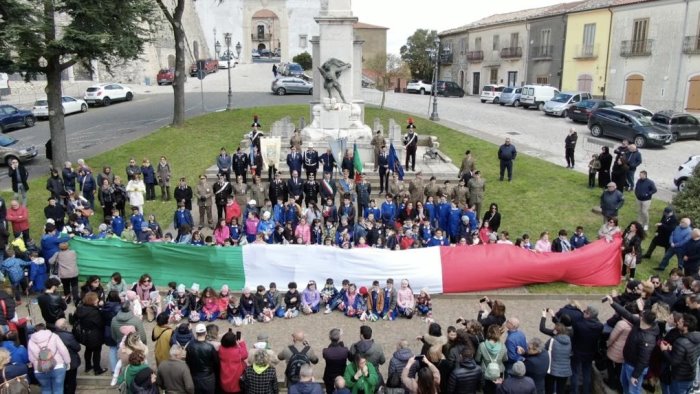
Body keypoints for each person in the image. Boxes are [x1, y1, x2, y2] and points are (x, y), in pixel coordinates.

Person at [604, 295, 659, 394]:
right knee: (624, 384)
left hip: (634, 367)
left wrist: (635, 375)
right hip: (627, 362)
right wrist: (612, 303)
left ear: (643, 319)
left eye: (641, 314)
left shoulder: (648, 339)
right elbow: (626, 314)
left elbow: (644, 360)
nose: (639, 314)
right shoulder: (639, 323)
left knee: (633, 391)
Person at [28, 323, 71, 394]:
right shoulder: (54, 336)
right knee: (58, 389)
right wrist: (67, 362)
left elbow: (31, 358)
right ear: (45, 328)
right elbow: (63, 350)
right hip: (58, 366)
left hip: (40, 369)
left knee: (45, 389)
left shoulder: (31, 341)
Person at [569, 305, 603, 394]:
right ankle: (586, 391)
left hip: (577, 352)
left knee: (575, 373)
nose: (583, 313)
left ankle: (574, 391)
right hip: (590, 353)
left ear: (588, 315)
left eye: (585, 312)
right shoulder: (599, 326)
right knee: (586, 373)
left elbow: (573, 335)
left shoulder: (579, 325)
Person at [74, 292, 106, 375]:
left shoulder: (80, 308)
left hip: (84, 334)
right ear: (93, 301)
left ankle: (88, 366)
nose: (98, 299)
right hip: (95, 335)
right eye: (96, 299)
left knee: (88, 350)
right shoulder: (94, 312)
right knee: (96, 352)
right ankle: (97, 369)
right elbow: (101, 324)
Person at [186, 323, 219, 394]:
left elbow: (188, 362)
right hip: (208, 377)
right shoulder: (210, 347)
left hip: (195, 376)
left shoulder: (190, 346)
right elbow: (216, 362)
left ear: (196, 333)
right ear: (206, 333)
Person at [475, 325, 507, 394]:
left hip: (486, 371)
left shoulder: (482, 345)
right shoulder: (502, 346)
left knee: (487, 390)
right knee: (497, 390)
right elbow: (505, 359)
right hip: (499, 371)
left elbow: (477, 359)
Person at [52, 318, 80, 394]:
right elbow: (77, 347)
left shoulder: (52, 335)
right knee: (71, 382)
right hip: (71, 362)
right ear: (65, 326)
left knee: (62, 382)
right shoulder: (68, 336)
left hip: (58, 364)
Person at [219, 328, 248, 394]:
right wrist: (241, 343)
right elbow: (245, 354)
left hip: (224, 382)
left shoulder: (221, 349)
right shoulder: (237, 352)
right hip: (236, 385)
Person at [323, 328, 349, 394]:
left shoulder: (326, 351)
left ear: (329, 337)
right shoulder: (345, 350)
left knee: (329, 390)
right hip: (341, 374)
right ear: (339, 338)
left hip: (329, 376)